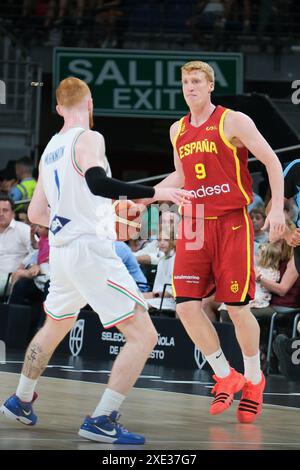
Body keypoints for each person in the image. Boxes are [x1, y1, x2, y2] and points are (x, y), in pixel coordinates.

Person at [0, 77, 191, 444]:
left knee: (55, 325)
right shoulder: (89, 137)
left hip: (63, 250)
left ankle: (21, 398)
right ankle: (102, 418)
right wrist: (158, 191)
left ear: (58, 108)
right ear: (90, 103)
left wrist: (93, 214)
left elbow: (38, 212)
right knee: (144, 336)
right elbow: (99, 184)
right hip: (90, 250)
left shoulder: (50, 149)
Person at [153, 60, 286, 423]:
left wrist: (275, 208)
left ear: (210, 85)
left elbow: (272, 162)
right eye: (185, 82)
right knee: (185, 306)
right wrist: (143, 197)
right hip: (194, 223)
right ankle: (225, 374)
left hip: (231, 222)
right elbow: (181, 175)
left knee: (237, 307)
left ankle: (255, 380)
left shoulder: (233, 121)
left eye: (197, 81)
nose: (190, 87)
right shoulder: (177, 129)